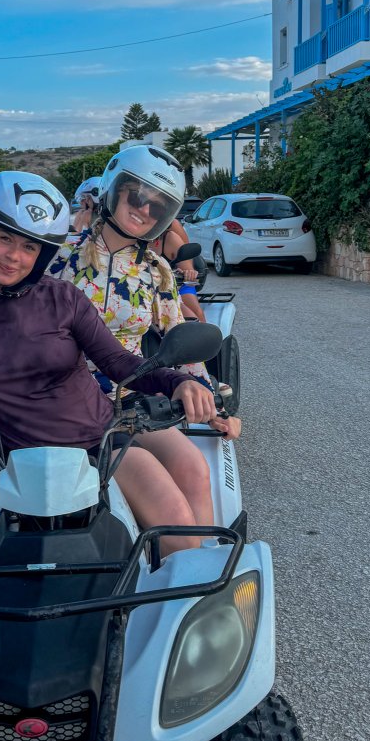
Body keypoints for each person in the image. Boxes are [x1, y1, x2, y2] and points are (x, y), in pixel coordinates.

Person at [0, 171, 216, 563]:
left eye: (29, 246)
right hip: (9, 456)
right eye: (5, 238)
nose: (14, 256)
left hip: (98, 443)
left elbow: (118, 361)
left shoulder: (63, 298)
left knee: (182, 539)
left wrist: (178, 381)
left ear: (42, 254)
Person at [49, 146, 241, 538]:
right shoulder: (58, 259)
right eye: (137, 196)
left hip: (130, 398)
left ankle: (200, 577)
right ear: (114, 191)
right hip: (57, 398)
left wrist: (207, 397)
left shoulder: (157, 272)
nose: (144, 211)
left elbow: (176, 336)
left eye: (158, 206)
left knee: (192, 466)